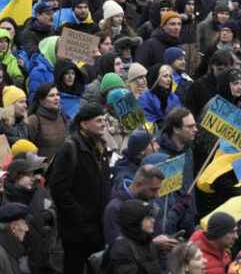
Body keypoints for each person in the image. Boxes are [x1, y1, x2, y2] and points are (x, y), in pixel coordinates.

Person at [47, 103, 111, 274]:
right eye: (98, 121)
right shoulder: (69, 149)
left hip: (98, 227)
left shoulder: (101, 147)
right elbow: (59, 190)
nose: (103, 124)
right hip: (77, 231)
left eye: (104, 120)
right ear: (83, 124)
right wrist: (80, 217)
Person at [108, 199, 162, 273]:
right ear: (135, 221)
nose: (153, 220)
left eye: (152, 217)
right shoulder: (121, 249)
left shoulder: (146, 241)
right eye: (148, 218)